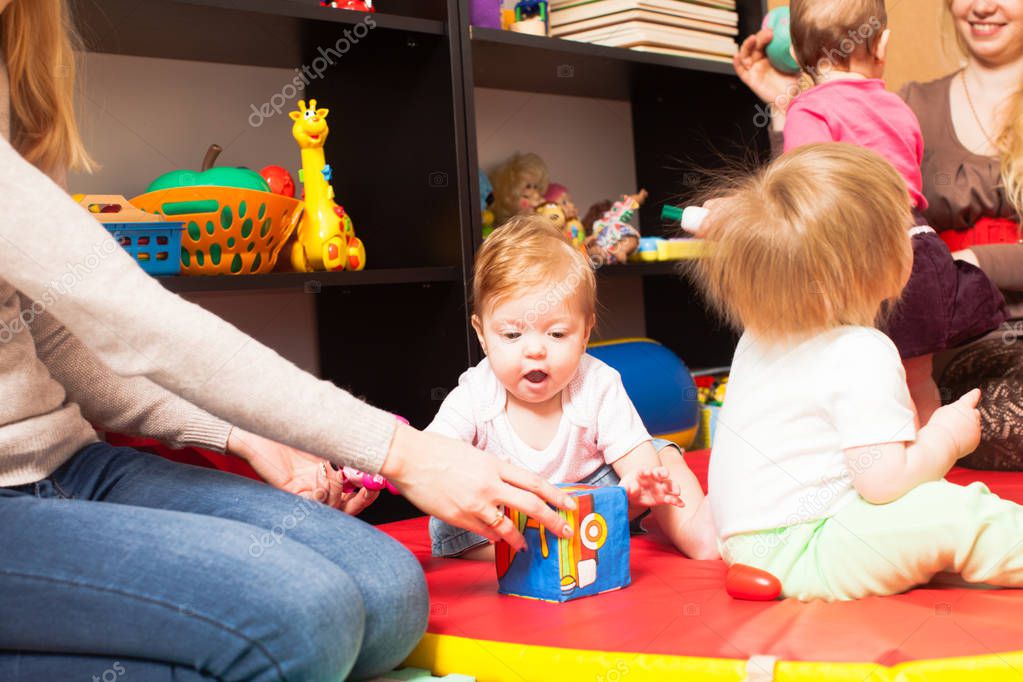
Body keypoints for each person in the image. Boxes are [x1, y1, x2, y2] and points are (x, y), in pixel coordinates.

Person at [0, 1, 577, 679]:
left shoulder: (17, 86)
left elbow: (62, 343)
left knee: (387, 596)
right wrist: (406, 454)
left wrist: (245, 437)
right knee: (307, 621)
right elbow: (141, 322)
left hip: (71, 467)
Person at [699, 142, 1023, 601]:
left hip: (748, 545)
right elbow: (885, 485)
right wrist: (947, 437)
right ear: (882, 265)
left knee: (924, 524)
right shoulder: (862, 350)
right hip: (811, 547)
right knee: (956, 511)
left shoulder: (758, 334)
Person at [734, 0, 1023, 470]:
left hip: (965, 302)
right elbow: (812, 198)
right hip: (945, 332)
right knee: (905, 390)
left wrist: (974, 261)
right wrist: (788, 103)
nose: (984, 5)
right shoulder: (900, 102)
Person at [428, 216, 719, 560]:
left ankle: (695, 530)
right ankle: (538, 550)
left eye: (556, 334)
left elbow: (636, 459)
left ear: (584, 334)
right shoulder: (476, 393)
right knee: (447, 513)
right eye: (511, 335)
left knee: (662, 455)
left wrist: (638, 488)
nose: (534, 350)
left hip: (587, 501)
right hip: (505, 518)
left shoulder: (596, 382)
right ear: (482, 334)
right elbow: (432, 453)